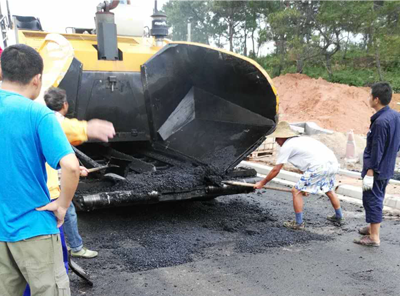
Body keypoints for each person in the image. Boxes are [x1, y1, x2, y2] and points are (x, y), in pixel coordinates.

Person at [0, 44, 79, 295]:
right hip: (34, 229)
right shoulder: (39, 114)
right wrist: (63, 205)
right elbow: (71, 166)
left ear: (2, 73)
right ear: (37, 79)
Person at [44, 86, 115, 258]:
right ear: (65, 105)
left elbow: (52, 156)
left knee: (64, 215)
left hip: (43, 183)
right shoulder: (49, 121)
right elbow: (61, 130)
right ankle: (73, 249)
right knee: (65, 212)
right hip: (48, 187)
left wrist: (74, 167)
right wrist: (86, 129)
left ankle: (71, 248)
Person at [254, 121, 344, 230]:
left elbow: (276, 170)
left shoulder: (287, 146)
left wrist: (262, 183)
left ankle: (298, 223)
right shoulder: (302, 140)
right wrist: (306, 187)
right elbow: (306, 163)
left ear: (282, 137)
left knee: (296, 190)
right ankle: (339, 216)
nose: (276, 141)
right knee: (328, 189)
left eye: (276, 138)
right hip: (332, 164)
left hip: (319, 167)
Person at [354, 82, 400, 247]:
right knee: (375, 197)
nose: (368, 98)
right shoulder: (395, 116)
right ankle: (372, 227)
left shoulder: (380, 122)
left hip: (377, 169)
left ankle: (374, 237)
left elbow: (377, 149)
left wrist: (371, 171)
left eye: (370, 95)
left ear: (376, 99)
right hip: (387, 166)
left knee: (372, 199)